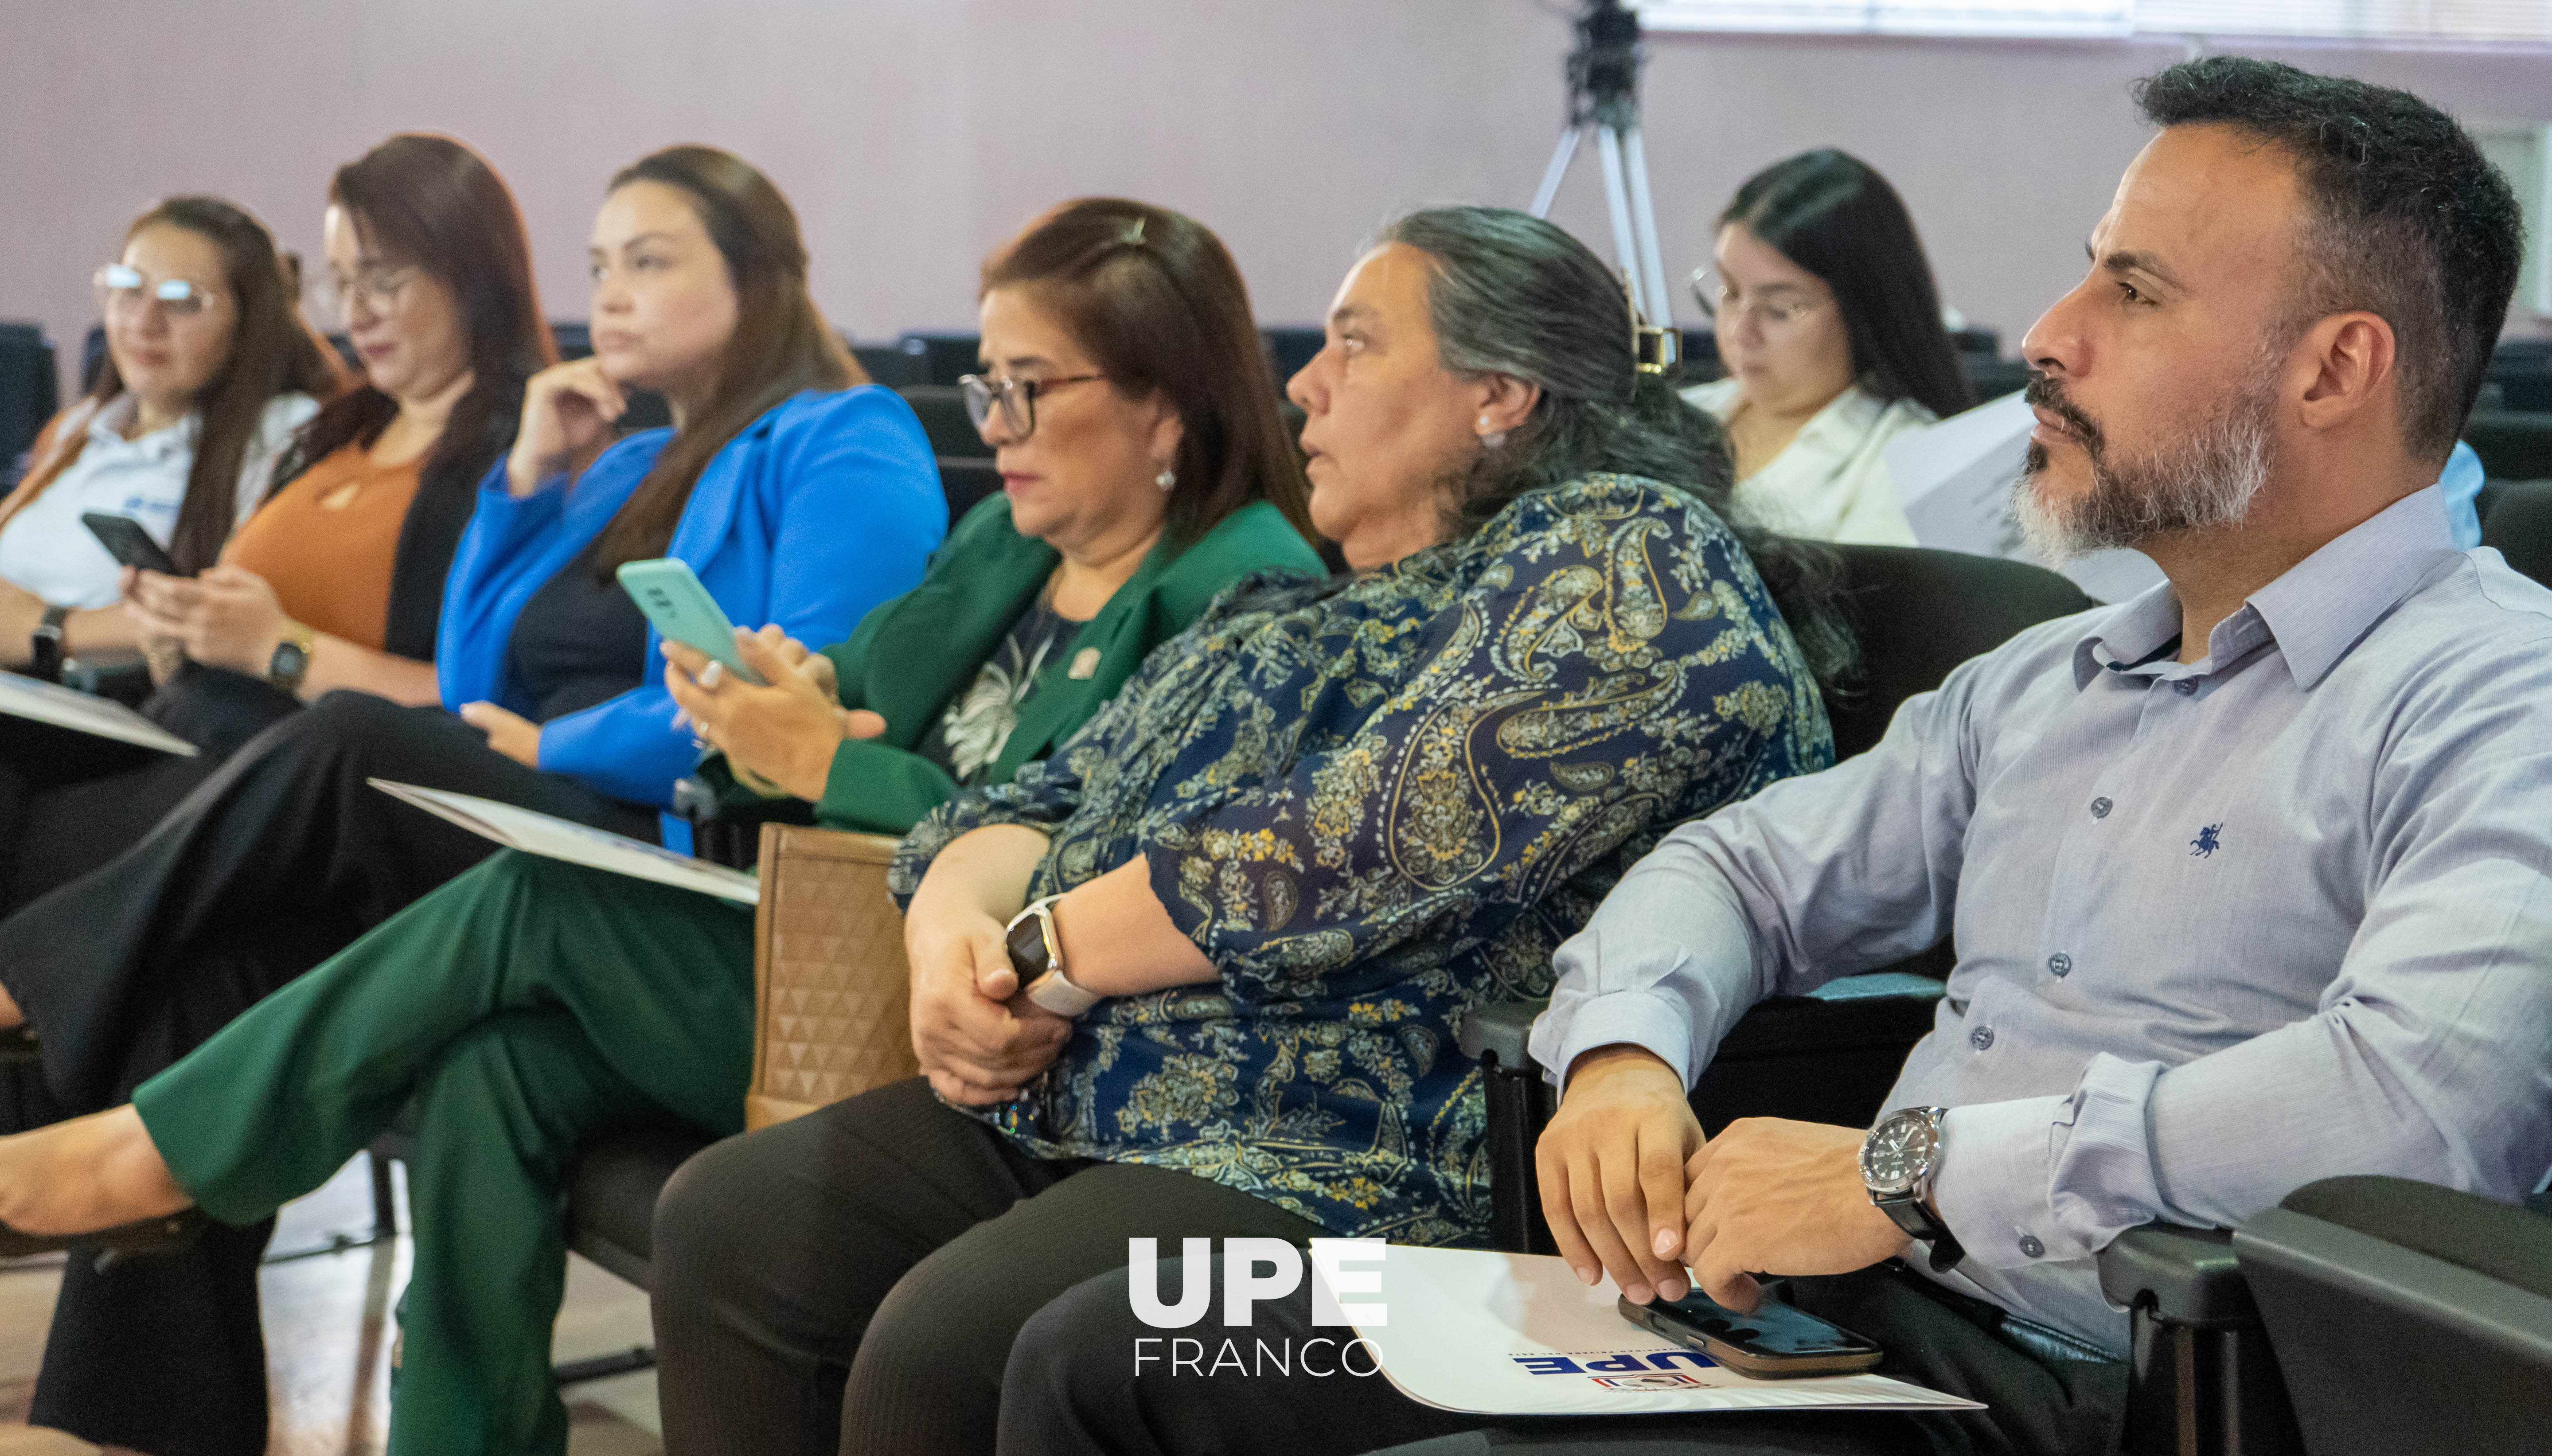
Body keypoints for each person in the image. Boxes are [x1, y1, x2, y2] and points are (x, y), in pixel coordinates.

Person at [996, 58, 2552, 1456]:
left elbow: (2420, 1102)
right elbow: (1737, 866)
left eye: (2133, 292)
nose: (2046, 335)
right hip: (1813, 1307)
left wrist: (1908, 1173)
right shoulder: (2051, 678)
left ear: (2337, 369)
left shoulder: (2497, 698)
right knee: (1121, 1350)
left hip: (2106, 1380)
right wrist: (1621, 1050)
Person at [0, 196, 1306, 1456]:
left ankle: (150, 1154)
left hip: (978, 1021)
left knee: (522, 898)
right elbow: (822, 708)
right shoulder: (1009, 546)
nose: (994, 423)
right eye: (986, 385)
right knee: (499, 1059)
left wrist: (821, 762)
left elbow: (1106, 851)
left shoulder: (1240, 587)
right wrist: (766, 707)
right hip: (810, 937)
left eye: (1028, 387)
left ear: (1161, 406)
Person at [624, 204, 1853, 1455]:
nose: (1303, 388)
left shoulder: (1626, 554)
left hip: (1365, 1149)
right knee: (737, 1218)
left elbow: (1346, 847)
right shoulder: (1290, 608)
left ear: (1500, 393)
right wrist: (954, 939)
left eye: (1355, 346)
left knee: (954, 1339)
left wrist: (1039, 951)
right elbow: (1035, 798)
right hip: (1096, 1093)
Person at [0, 134, 552, 988]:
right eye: (343, 284)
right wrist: (182, 629)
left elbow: (480, 701)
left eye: (383, 280)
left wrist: (280, 650)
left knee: (3, 822)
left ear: (473, 273)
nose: (358, 315)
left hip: (292, 776)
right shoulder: (338, 430)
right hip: (188, 724)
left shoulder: (518, 458)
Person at [0, 197, 340, 677]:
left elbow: (229, 619)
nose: (145, 324)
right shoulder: (83, 426)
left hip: (111, 711)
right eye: (129, 289)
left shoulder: (283, 431)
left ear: (249, 324)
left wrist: (50, 629)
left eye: (182, 301)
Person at [1684, 150, 1972, 546]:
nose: (1740, 331)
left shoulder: (1906, 464)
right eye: (1730, 292)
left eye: (1780, 310)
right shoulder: (1687, 413)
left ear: (1866, 313)